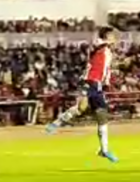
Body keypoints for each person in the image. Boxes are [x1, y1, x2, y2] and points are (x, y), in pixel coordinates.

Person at [45, 27, 119, 163]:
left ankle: (104, 150)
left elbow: (105, 68)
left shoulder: (107, 51)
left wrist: (106, 81)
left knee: (102, 116)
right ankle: (55, 124)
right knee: (81, 108)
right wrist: (104, 43)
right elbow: (97, 50)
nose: (115, 39)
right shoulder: (101, 47)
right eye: (113, 36)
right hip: (89, 81)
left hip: (97, 85)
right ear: (107, 37)